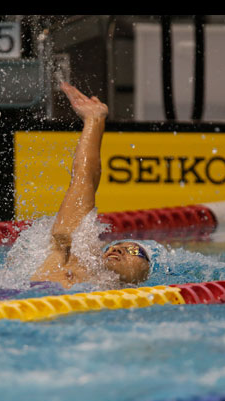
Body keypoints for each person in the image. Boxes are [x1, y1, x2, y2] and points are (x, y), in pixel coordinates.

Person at [30, 82, 155, 289]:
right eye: (115, 246)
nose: (118, 250)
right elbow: (83, 180)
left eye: (134, 251)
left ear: (145, 276)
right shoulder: (71, 257)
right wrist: (94, 121)